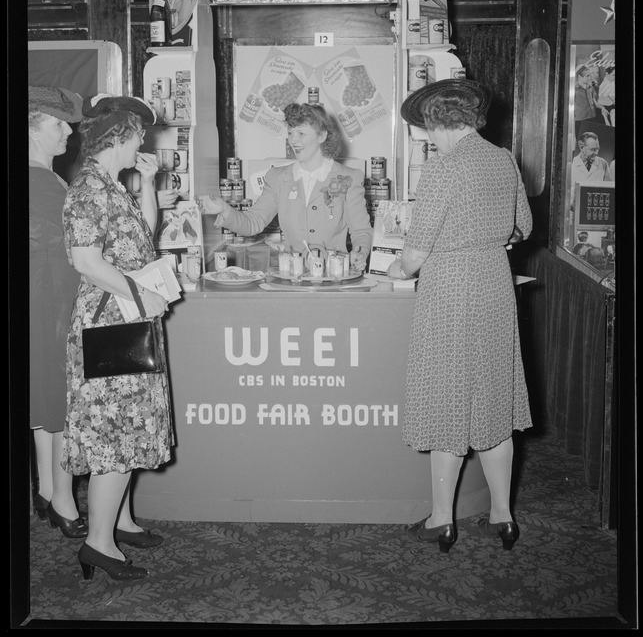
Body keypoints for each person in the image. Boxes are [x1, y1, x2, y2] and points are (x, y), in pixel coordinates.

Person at [387, 79, 533, 553]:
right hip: (494, 285)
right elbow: (522, 228)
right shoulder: (504, 159)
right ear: (473, 120)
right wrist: (489, 239)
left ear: (435, 125)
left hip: (450, 290)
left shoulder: (443, 169)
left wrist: (396, 264)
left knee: (448, 401)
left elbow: (413, 255)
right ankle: (502, 517)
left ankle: (442, 520)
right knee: (493, 401)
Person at [62, 94, 174, 582]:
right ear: (118, 137)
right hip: (111, 320)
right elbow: (85, 261)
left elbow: (143, 239)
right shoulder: (89, 187)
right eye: (137, 137)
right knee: (118, 432)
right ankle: (98, 544)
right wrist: (138, 292)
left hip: (125, 314)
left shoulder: (111, 184)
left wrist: (148, 184)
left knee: (131, 425)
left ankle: (119, 522)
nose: (142, 144)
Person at [201, 103, 373, 271]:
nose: (293, 140)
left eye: (301, 133)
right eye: (290, 133)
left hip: (334, 274)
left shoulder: (349, 178)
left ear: (322, 136)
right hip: (292, 274)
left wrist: (360, 252)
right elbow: (253, 223)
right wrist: (224, 209)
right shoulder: (278, 178)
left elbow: (362, 231)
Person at [29, 85, 87, 538]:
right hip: (49, 309)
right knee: (59, 398)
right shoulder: (41, 183)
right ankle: (58, 497)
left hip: (45, 308)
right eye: (58, 124)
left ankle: (49, 490)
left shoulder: (46, 178)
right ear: (32, 128)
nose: (68, 130)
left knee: (45, 399)